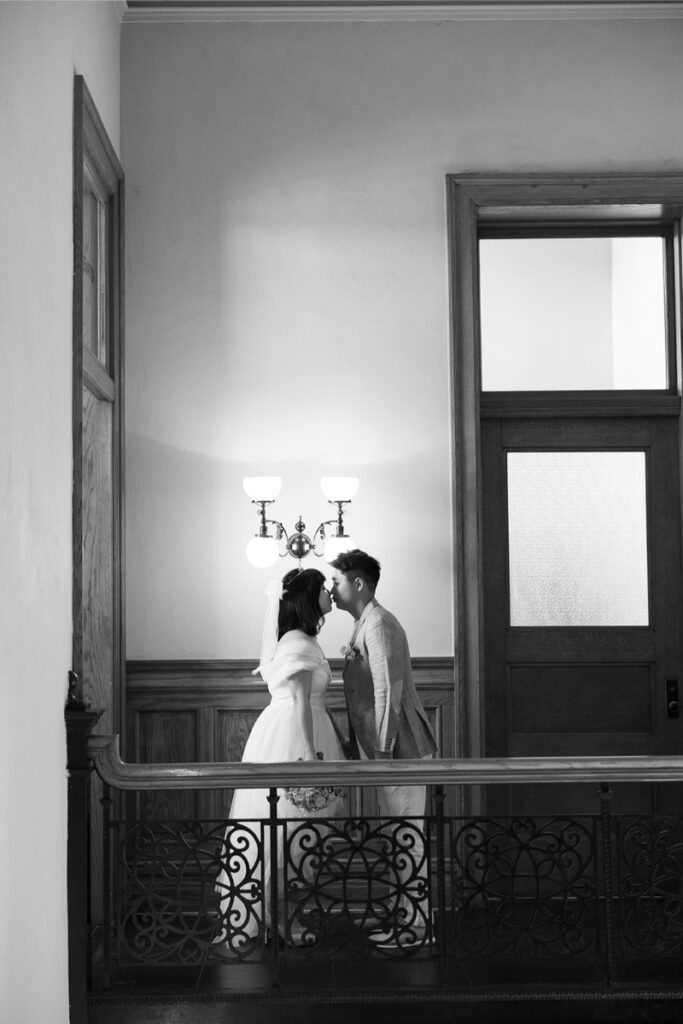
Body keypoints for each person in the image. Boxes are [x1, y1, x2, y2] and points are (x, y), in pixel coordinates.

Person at [215, 567, 344, 949]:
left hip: (302, 727)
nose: (329, 594)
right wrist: (308, 755)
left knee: (296, 833)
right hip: (294, 736)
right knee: (289, 831)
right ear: (307, 598)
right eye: (323, 588)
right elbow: (302, 700)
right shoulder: (298, 643)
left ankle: (281, 911)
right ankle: (279, 914)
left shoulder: (301, 639)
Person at [329, 549, 437, 947]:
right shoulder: (365, 623)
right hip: (388, 753)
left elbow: (388, 692)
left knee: (408, 838)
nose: (332, 589)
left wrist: (384, 753)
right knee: (398, 838)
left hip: (401, 752)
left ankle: (416, 928)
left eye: (337, 582)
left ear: (358, 584)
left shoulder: (379, 624)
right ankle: (404, 915)